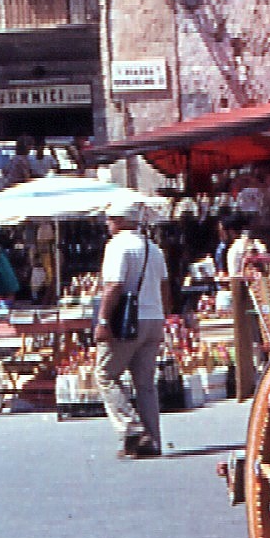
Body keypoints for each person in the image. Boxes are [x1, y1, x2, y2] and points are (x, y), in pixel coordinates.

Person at [95, 197, 168, 459]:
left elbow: (113, 286)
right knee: (145, 384)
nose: (108, 224)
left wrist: (103, 320)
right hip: (153, 318)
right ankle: (153, 440)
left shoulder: (118, 246)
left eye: (112, 219)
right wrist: (162, 317)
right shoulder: (153, 248)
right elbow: (164, 286)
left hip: (129, 322)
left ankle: (132, 427)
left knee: (105, 374)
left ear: (123, 221)